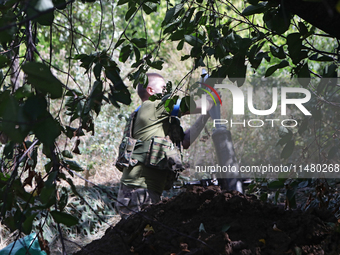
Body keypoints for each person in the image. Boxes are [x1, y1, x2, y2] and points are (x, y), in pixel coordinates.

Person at [115, 73, 217, 219]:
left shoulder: (160, 120)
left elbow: (185, 142)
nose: (168, 92)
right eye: (163, 88)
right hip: (136, 190)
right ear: (151, 91)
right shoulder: (153, 106)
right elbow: (199, 105)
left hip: (148, 190)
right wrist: (211, 94)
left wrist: (205, 115)